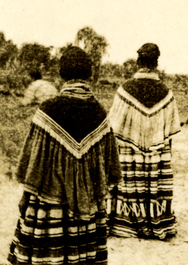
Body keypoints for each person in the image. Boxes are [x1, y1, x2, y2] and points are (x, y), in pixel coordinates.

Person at [8, 47, 121, 265]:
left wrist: (25, 196)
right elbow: (110, 167)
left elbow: (33, 162)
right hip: (86, 210)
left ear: (61, 74)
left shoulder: (48, 109)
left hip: (50, 204)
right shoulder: (99, 112)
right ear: (89, 74)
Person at [107, 43, 181, 240]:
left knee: (128, 182)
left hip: (128, 155)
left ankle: (126, 223)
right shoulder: (167, 93)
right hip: (156, 154)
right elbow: (169, 134)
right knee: (155, 185)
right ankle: (155, 219)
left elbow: (112, 128)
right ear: (156, 63)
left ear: (138, 62)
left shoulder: (125, 90)